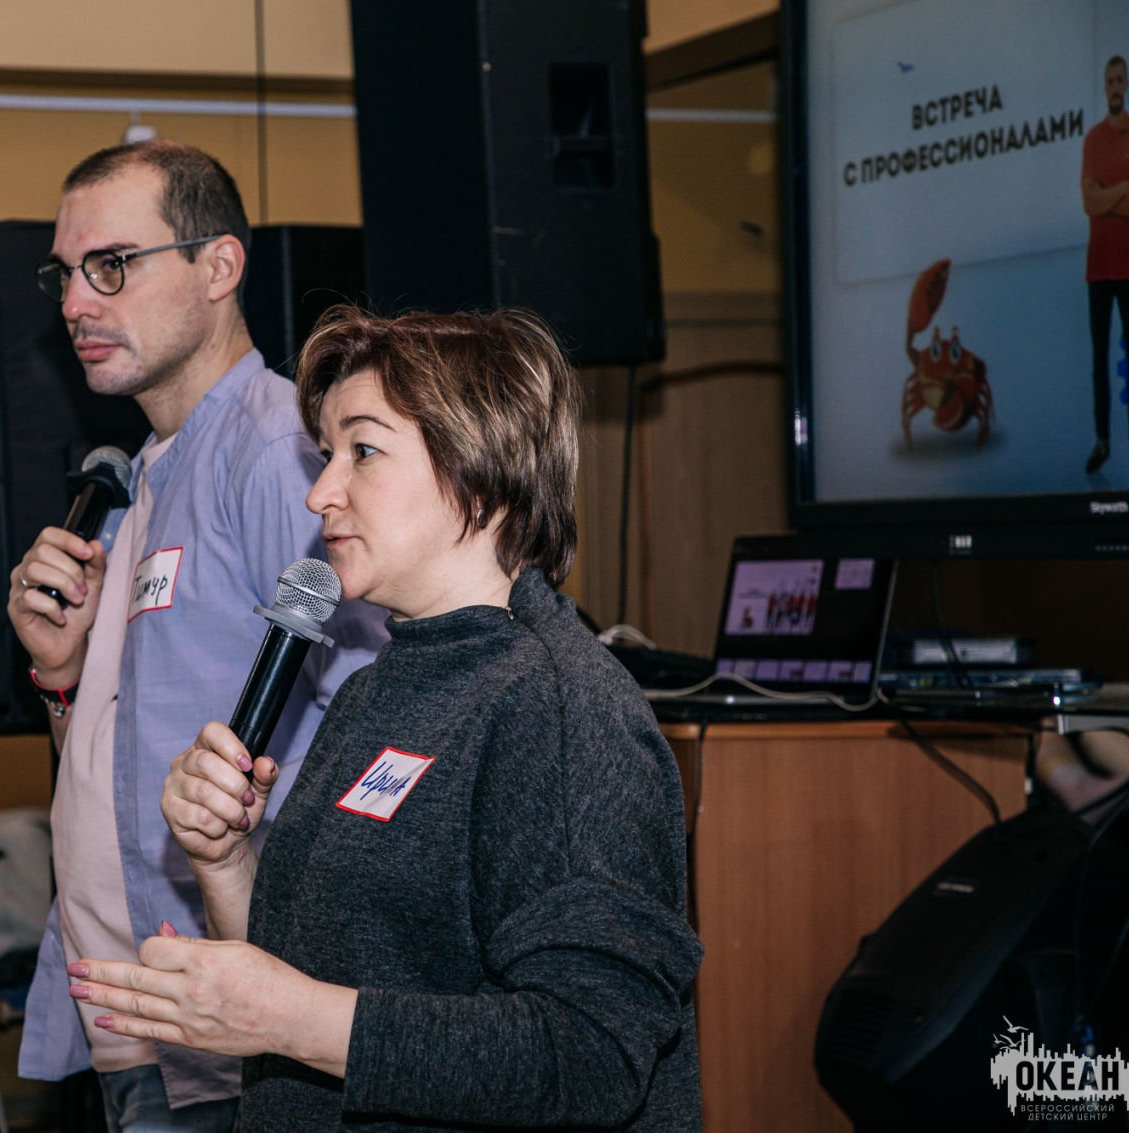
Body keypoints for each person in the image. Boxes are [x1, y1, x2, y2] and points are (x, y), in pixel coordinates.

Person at [66, 307, 705, 1131]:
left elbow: (589, 1056)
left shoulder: (561, 709)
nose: (320, 492)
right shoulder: (377, 690)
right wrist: (223, 861)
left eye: (362, 451)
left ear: (480, 470)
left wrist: (293, 1019)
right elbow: (312, 973)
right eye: (326, 453)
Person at [7, 144, 386, 1131]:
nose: (75, 303)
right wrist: (60, 676)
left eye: (111, 265)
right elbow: (114, 764)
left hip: (231, 1033)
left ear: (218, 267)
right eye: (64, 273)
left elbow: (373, 718)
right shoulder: (137, 474)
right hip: (138, 1026)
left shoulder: (276, 453)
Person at [1080, 54, 1129, 480]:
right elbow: (1089, 203)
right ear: (1104, 86)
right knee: (1098, 357)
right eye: (1109, 80)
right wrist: (1122, 187)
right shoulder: (1093, 140)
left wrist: (1111, 192)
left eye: (1119, 80)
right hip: (1098, 269)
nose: (1114, 87)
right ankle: (1102, 441)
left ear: (1127, 86)